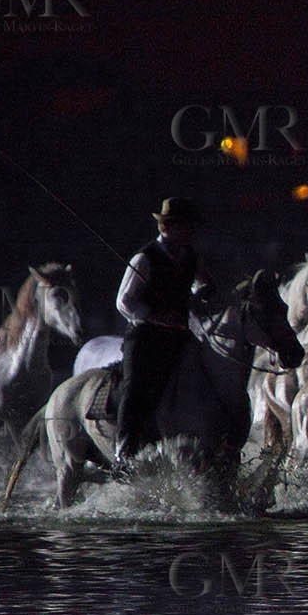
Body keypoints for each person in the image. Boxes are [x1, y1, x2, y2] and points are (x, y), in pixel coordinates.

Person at [114, 197, 215, 474]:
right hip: (145, 337)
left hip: (178, 335)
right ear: (168, 226)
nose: (191, 232)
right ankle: (123, 450)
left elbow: (201, 282)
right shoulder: (145, 258)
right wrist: (156, 315)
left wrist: (201, 292)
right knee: (134, 387)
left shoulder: (190, 256)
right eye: (186, 226)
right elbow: (124, 302)